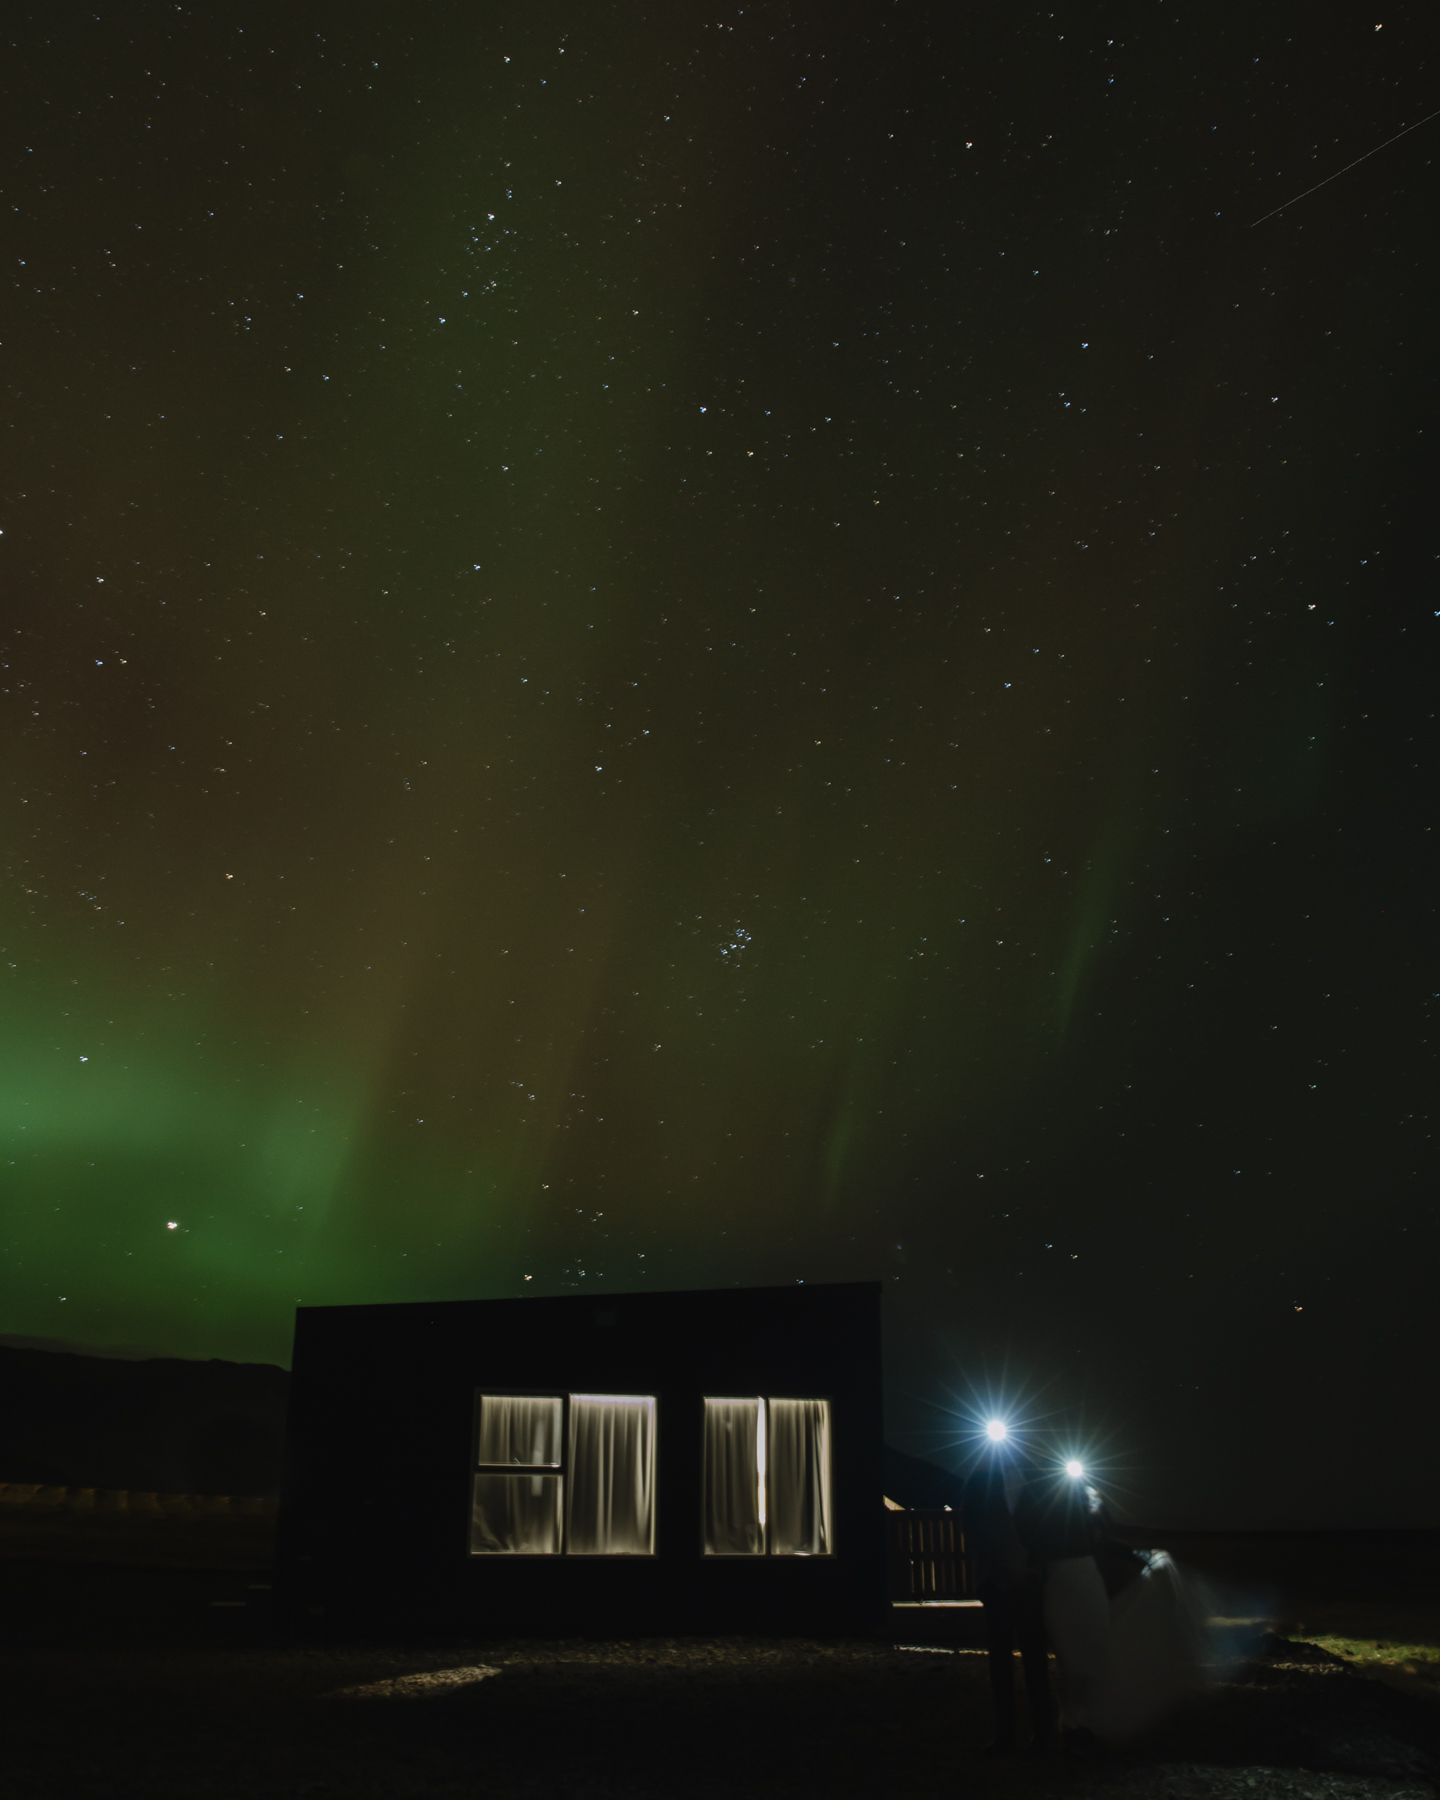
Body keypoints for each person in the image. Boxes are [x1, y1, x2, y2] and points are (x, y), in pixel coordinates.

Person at [960, 1442, 1059, 1754]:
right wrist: (997, 1568)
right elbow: (972, 1529)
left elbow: (1047, 1529)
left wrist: (1035, 1567)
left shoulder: (1037, 1481)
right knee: (1001, 1662)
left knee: (1034, 1660)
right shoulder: (978, 1481)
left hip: (1028, 1582)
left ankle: (1041, 1733)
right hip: (997, 1582)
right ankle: (1006, 1734)